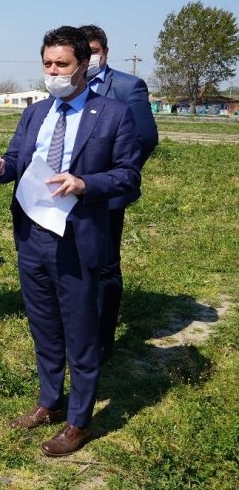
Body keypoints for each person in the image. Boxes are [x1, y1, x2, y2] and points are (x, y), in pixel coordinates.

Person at [0, 26, 141, 456]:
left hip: (77, 238)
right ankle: (50, 403)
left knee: (81, 332)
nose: (53, 71)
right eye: (47, 64)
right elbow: (19, 158)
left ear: (83, 66)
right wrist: (1, 168)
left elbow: (129, 174)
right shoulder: (36, 112)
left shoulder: (112, 114)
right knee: (45, 327)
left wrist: (83, 183)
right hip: (32, 234)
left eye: (62, 64)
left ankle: (78, 420)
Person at [79, 24, 159, 364]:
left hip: (107, 195)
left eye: (94, 50)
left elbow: (145, 138)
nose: (90, 57)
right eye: (84, 52)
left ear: (105, 53)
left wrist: (117, 176)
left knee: (106, 266)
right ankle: (79, 328)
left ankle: (103, 341)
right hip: (71, 193)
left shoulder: (127, 87)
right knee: (78, 262)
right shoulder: (71, 87)